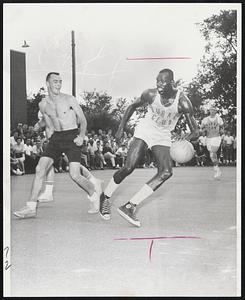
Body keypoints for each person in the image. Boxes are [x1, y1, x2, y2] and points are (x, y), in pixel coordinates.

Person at [99, 68, 199, 226]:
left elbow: (196, 131)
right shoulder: (151, 94)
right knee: (129, 166)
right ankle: (105, 196)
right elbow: (132, 107)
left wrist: (185, 139)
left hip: (163, 135)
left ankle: (130, 206)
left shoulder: (183, 102)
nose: (158, 84)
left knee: (166, 172)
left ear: (172, 83)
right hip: (146, 129)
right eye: (157, 80)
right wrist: (120, 128)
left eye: (162, 81)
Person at [14, 72, 102, 218]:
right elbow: (47, 119)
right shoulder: (43, 104)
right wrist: (38, 125)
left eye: (60, 82)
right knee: (39, 169)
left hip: (72, 136)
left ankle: (94, 195)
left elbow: (83, 120)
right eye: (55, 81)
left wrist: (81, 136)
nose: (58, 84)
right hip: (56, 138)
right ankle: (31, 207)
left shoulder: (69, 99)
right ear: (47, 83)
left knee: (74, 175)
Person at [200, 106, 223, 178]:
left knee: (213, 153)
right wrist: (203, 131)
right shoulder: (205, 120)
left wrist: (222, 131)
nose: (212, 111)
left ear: (216, 111)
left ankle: (216, 170)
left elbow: (222, 127)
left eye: (214, 110)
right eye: (211, 110)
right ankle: (217, 168)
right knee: (211, 155)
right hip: (208, 138)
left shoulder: (219, 119)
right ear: (209, 111)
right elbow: (201, 129)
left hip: (216, 138)